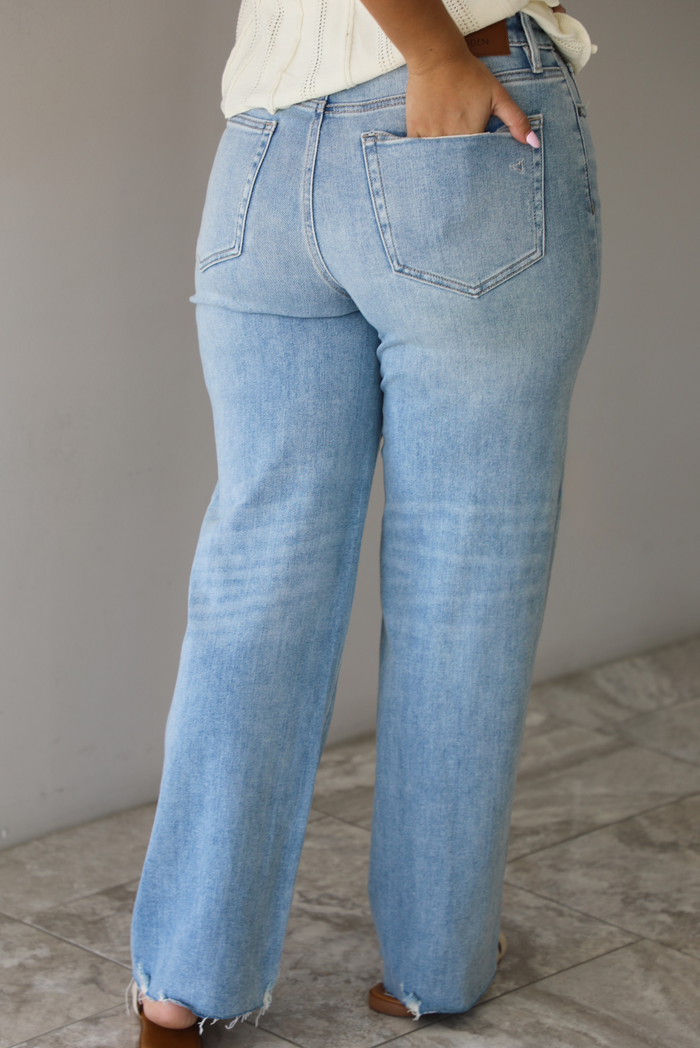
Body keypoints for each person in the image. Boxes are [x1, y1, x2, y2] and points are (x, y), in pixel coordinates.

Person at [129, 0, 601, 1043]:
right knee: (459, 586)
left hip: (260, 150)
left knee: (260, 578)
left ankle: (183, 981)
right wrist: (431, 46)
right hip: (447, 113)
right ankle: (432, 966)